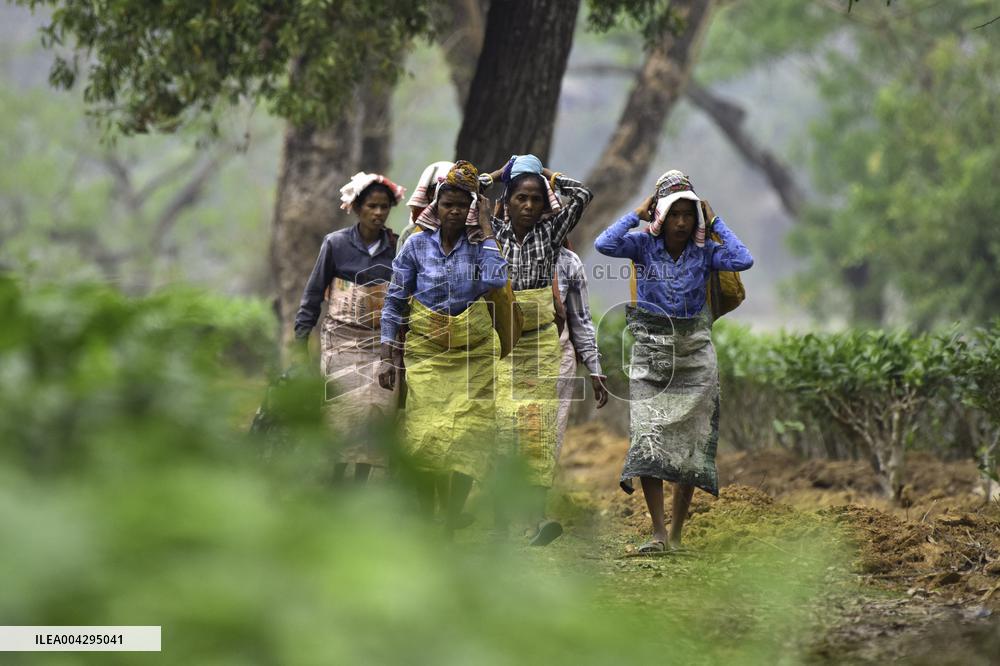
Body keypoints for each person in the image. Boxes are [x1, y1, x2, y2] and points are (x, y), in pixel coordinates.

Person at [594, 169, 753, 553]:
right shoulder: (642, 247)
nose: (682, 222)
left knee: (690, 450)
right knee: (648, 443)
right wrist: (637, 212)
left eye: (689, 214)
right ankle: (658, 532)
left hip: (695, 360)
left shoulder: (707, 252)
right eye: (675, 213)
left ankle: (678, 534)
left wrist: (715, 222)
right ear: (661, 215)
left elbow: (743, 259)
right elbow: (603, 243)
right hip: (650, 360)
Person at [378, 161, 508, 538]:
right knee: (424, 435)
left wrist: (484, 229)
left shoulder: (482, 243)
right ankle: (425, 516)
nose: (453, 211)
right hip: (427, 353)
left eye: (461, 205)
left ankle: (451, 518)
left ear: (471, 207)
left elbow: (496, 279)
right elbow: (395, 299)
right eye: (447, 204)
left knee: (469, 435)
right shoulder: (417, 245)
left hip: (474, 354)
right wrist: (388, 355)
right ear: (437, 205)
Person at [484, 154, 594, 546]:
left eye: (535, 199)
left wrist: (545, 173)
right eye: (520, 198)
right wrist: (500, 173)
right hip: (504, 343)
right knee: (502, 431)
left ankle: (534, 522)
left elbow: (581, 194)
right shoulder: (492, 232)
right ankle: (498, 523)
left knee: (537, 431)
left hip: (542, 344)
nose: (528, 206)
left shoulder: (550, 235)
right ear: (507, 202)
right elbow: (466, 192)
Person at [293, 172, 406, 484]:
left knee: (375, 413)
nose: (378, 213)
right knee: (340, 415)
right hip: (340, 343)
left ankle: (358, 487)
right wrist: (301, 339)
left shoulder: (396, 249)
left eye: (384, 207)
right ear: (357, 207)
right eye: (372, 206)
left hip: (380, 346)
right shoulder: (335, 244)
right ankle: (334, 484)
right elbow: (313, 294)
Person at [554, 241, 609, 461]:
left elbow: (580, 319)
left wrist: (595, 368)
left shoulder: (567, 262)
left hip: (558, 363)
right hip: (511, 361)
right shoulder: (501, 252)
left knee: (547, 441)